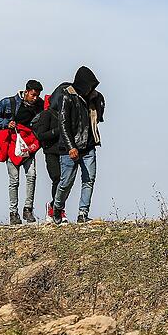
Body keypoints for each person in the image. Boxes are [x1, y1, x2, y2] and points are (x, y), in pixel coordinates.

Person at [50, 66, 105, 224]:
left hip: (88, 146)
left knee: (89, 179)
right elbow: (63, 124)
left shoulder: (94, 97)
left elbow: (98, 117)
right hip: (70, 148)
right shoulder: (66, 96)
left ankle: (83, 213)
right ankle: (57, 208)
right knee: (66, 182)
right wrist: (70, 147)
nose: (91, 89)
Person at [0, 80, 45, 224]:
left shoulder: (39, 105)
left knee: (31, 176)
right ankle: (13, 213)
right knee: (14, 181)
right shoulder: (8, 103)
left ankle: (28, 210)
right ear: (26, 92)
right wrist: (6, 124)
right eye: (33, 95)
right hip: (12, 147)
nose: (35, 98)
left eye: (37, 95)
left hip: (29, 146)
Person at [32, 94, 66, 224]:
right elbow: (41, 135)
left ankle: (55, 206)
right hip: (51, 152)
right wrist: (59, 130)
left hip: (64, 152)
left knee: (64, 182)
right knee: (57, 179)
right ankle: (56, 209)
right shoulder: (46, 115)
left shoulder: (64, 114)